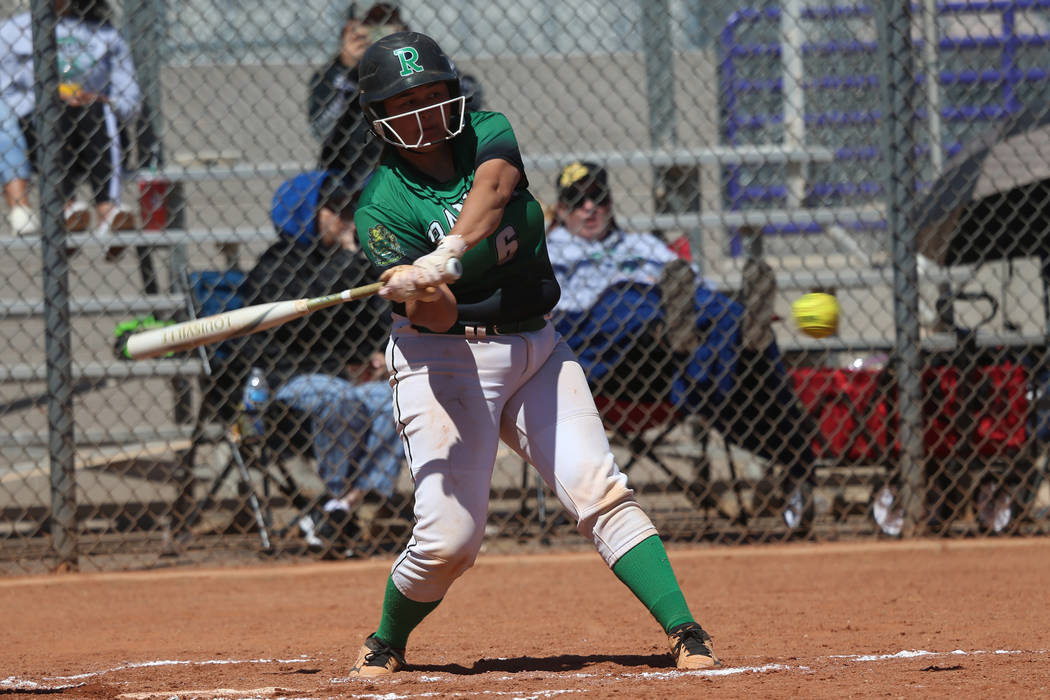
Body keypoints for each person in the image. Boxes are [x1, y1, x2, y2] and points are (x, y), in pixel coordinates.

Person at [347, 31, 720, 677]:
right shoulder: (381, 207)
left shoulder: (489, 130)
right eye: (408, 103)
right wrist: (417, 286)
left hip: (537, 345)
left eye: (436, 95)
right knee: (450, 542)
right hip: (443, 361)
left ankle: (685, 631)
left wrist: (445, 253)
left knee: (597, 488)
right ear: (380, 118)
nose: (428, 113)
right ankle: (386, 639)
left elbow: (493, 191)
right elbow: (433, 317)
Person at [546, 161, 817, 531]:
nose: (589, 207)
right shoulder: (548, 249)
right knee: (628, 300)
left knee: (727, 315)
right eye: (577, 200)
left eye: (597, 196)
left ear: (611, 201)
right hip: (595, 344)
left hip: (661, 360)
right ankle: (718, 357)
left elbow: (696, 291)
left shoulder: (640, 244)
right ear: (561, 210)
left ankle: (739, 336)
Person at [232, 170, 403, 558]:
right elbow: (309, 321)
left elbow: (371, 322)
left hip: (339, 378)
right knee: (337, 397)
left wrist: (377, 353)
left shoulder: (350, 262)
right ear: (305, 214)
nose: (346, 219)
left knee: (394, 400)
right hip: (285, 382)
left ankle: (337, 507)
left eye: (349, 209)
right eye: (335, 209)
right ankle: (336, 504)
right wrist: (347, 259)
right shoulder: (276, 265)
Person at [0, 0, 140, 238]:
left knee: (95, 110)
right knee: (56, 110)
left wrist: (104, 100)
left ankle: (109, 212)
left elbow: (130, 96)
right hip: (39, 134)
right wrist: (48, 97)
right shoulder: (13, 31)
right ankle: (66, 207)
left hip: (98, 135)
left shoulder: (104, 33)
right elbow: (4, 94)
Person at [311, 4, 483, 187]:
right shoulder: (334, 75)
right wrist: (348, 71)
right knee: (300, 191)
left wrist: (415, 51)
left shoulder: (420, 63)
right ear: (352, 29)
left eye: (388, 21)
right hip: (352, 174)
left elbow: (470, 99)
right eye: (371, 23)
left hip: (421, 163)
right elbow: (320, 129)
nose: (381, 28)